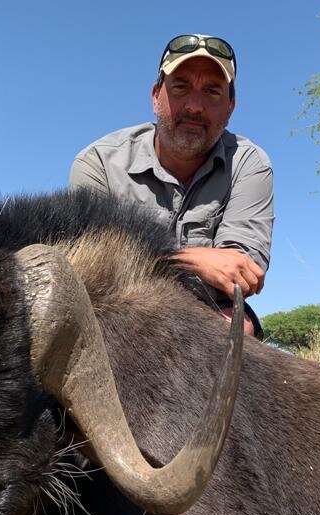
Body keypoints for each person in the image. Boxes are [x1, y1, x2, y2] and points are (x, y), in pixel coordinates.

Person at [69, 34, 273, 336]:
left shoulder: (249, 163)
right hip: (120, 314)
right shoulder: (97, 163)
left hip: (211, 312)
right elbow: (92, 271)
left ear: (230, 107)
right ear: (155, 96)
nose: (194, 106)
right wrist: (193, 260)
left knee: (239, 329)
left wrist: (148, 258)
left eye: (212, 92)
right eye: (180, 87)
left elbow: (239, 274)